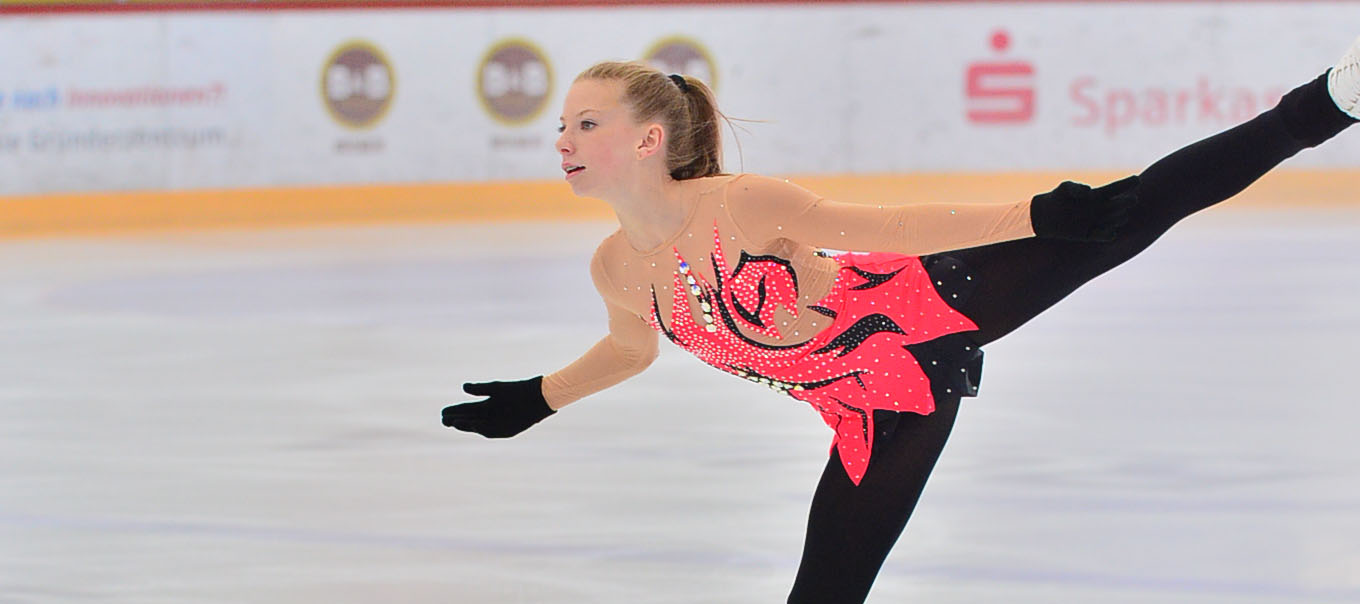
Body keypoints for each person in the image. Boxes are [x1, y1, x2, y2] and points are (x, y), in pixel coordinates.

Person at [443, 37, 1360, 603]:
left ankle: (1331, 99)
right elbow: (627, 347)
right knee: (826, 594)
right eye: (563, 125)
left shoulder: (739, 205)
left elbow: (885, 231)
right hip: (878, 408)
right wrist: (542, 398)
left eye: (584, 123)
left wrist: (1037, 217)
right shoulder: (616, 269)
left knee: (1133, 210)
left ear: (647, 141)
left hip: (926, 307)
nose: (562, 140)